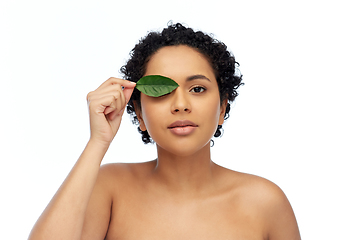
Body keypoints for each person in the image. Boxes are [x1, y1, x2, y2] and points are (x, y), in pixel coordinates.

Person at [28, 23, 301, 240]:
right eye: (162, 91)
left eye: (197, 89)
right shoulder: (110, 187)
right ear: (138, 112)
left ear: (222, 108)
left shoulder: (266, 203)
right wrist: (98, 141)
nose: (181, 105)